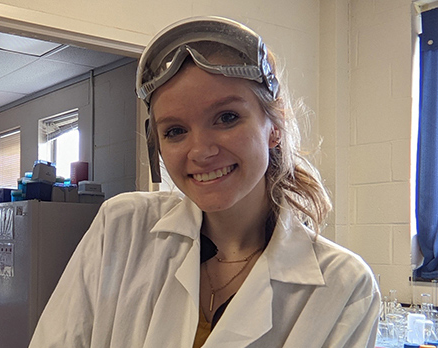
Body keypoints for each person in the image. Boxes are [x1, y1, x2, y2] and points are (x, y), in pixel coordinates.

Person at [29, 16, 380, 348]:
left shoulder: (345, 286)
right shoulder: (121, 228)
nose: (200, 151)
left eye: (226, 118)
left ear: (274, 127)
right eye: (176, 131)